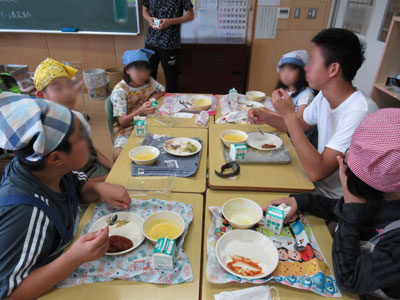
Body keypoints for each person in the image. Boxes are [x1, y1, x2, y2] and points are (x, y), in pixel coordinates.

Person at [0, 92, 131, 299]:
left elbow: (78, 187)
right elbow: (8, 293)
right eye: (81, 138)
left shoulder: (48, 170)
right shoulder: (25, 213)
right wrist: (73, 258)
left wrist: (97, 189)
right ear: (56, 158)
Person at [268, 108, 400, 299]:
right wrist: (301, 200)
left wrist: (351, 211)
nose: (342, 161)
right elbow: (340, 208)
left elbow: (349, 279)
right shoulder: (385, 194)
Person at [249, 28, 378, 199]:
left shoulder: (360, 112)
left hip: (336, 200)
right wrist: (267, 117)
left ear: (333, 69)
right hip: (313, 185)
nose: (306, 68)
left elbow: (318, 171)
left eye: (312, 62)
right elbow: (301, 125)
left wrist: (288, 115)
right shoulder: (324, 96)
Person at [34, 58, 113, 181]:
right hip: (80, 185)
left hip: (95, 171)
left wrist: (112, 167)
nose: (68, 93)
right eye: (58, 88)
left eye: (69, 86)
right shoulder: (44, 133)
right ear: (41, 95)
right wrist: (107, 179)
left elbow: (90, 149)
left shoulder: (77, 117)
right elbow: (67, 184)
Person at [111, 49, 165, 160]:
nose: (143, 74)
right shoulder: (120, 91)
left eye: (145, 70)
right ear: (127, 70)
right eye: (138, 70)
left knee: (163, 145)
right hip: (127, 127)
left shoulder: (149, 81)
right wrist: (140, 111)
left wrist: (149, 101)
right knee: (118, 155)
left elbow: (162, 90)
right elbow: (121, 121)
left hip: (148, 120)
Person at [142, 0, 194, 92]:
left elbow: (190, 16)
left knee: (171, 79)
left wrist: (170, 22)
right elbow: (144, 10)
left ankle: (170, 103)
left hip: (170, 43)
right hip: (151, 41)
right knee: (149, 77)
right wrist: (149, 19)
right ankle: (151, 103)